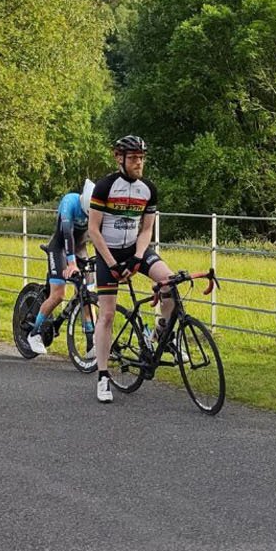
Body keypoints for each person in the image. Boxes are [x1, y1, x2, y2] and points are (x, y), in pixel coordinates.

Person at [88, 135, 175, 404]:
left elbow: (147, 229)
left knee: (171, 283)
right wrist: (113, 264)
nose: (139, 163)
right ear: (119, 158)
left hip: (134, 249)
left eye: (142, 158)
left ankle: (158, 334)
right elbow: (93, 230)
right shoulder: (104, 187)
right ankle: (103, 376)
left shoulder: (148, 189)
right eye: (134, 158)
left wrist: (138, 259)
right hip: (108, 252)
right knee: (108, 313)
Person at [27, 179, 95, 356]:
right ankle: (34, 334)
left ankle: (91, 345)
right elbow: (67, 234)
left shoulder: (97, 207)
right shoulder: (70, 202)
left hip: (80, 248)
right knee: (58, 294)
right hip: (59, 248)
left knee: (87, 292)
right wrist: (71, 263)